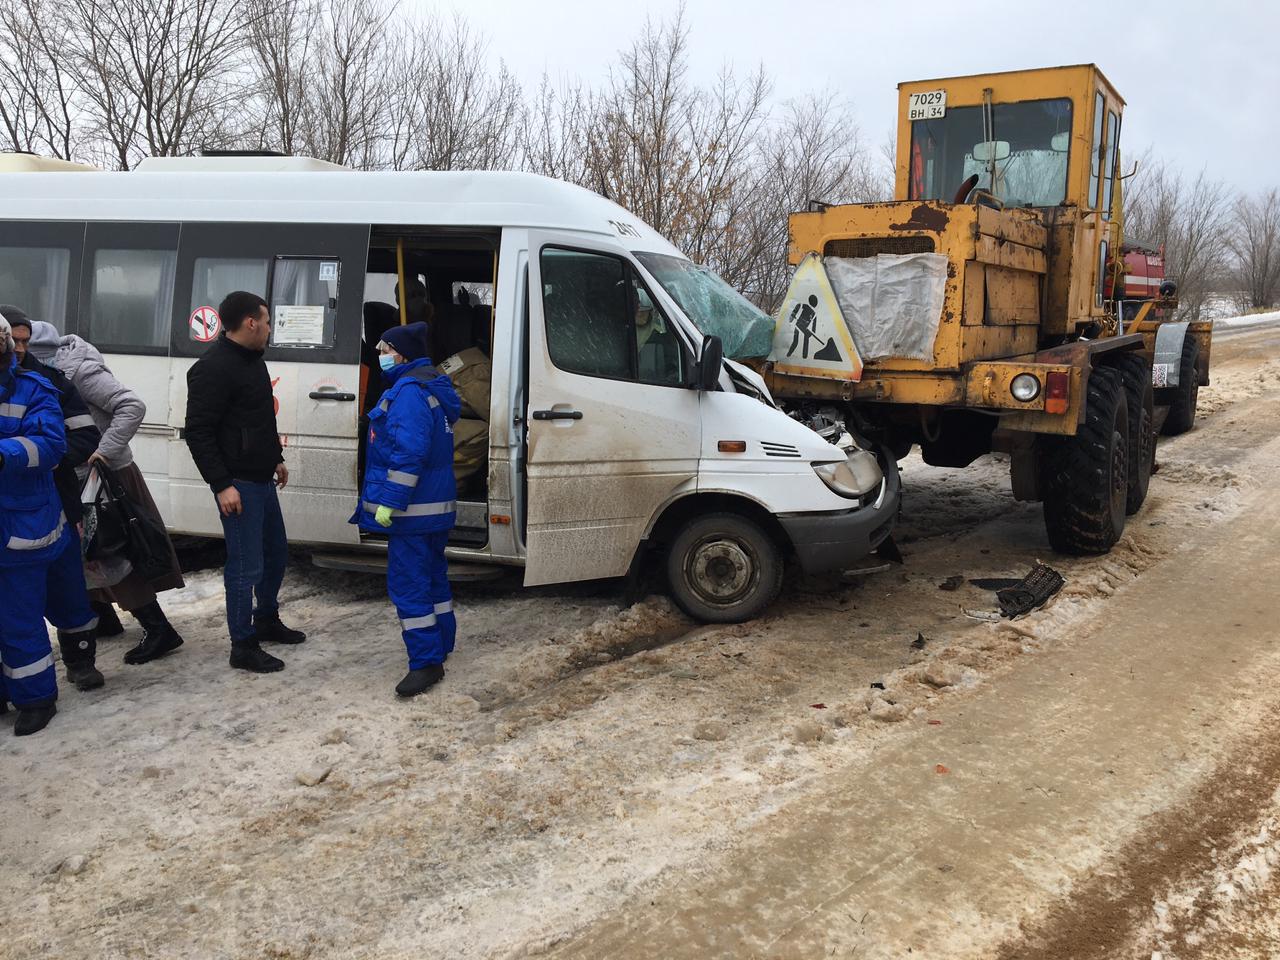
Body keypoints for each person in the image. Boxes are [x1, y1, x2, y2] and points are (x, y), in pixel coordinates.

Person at [26, 319, 186, 665]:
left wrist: (104, 451)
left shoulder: (77, 372)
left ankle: (158, 628)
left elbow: (131, 406)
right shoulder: (51, 372)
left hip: (106, 476)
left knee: (112, 553)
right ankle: (104, 619)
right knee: (86, 554)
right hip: (82, 476)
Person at [185, 291, 305, 673]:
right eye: (267, 321)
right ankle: (243, 643)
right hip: (238, 484)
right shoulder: (212, 368)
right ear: (251, 322)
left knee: (276, 553)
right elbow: (199, 433)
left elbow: (258, 419)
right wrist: (222, 484)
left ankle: (266, 618)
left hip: (262, 477)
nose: (270, 329)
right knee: (244, 566)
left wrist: (276, 458)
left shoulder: (253, 361)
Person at [351, 320, 459, 697]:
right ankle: (441, 645)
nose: (379, 356)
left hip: (412, 513)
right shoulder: (429, 388)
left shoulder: (409, 392)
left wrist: (388, 504)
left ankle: (425, 663)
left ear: (401, 354)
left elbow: (409, 455)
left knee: (409, 585)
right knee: (433, 580)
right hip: (433, 509)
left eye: (383, 350)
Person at [5, 308, 105, 691]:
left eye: (26, 341)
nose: (20, 348)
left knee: (68, 588)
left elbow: (86, 436)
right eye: (13, 340)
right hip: (7, 511)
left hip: (57, 502)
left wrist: (48, 457)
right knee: (15, 603)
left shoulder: (51, 381)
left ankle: (80, 661)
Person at [0, 312, 68, 735]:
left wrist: (2, 452)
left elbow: (51, 445)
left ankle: (37, 698)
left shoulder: (34, 388)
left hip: (19, 526)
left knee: (19, 617)